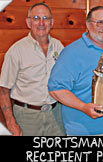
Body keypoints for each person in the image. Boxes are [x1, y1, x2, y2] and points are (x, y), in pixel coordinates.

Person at [48, 6, 103, 136]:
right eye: (100, 22)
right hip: (86, 131)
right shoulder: (72, 52)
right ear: (88, 24)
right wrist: (84, 107)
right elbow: (55, 89)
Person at [0, 2, 65, 136]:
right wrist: (10, 122)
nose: (41, 23)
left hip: (56, 114)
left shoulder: (59, 47)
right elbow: (3, 89)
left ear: (52, 22)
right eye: (36, 18)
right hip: (26, 116)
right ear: (28, 22)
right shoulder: (16, 50)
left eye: (46, 18)